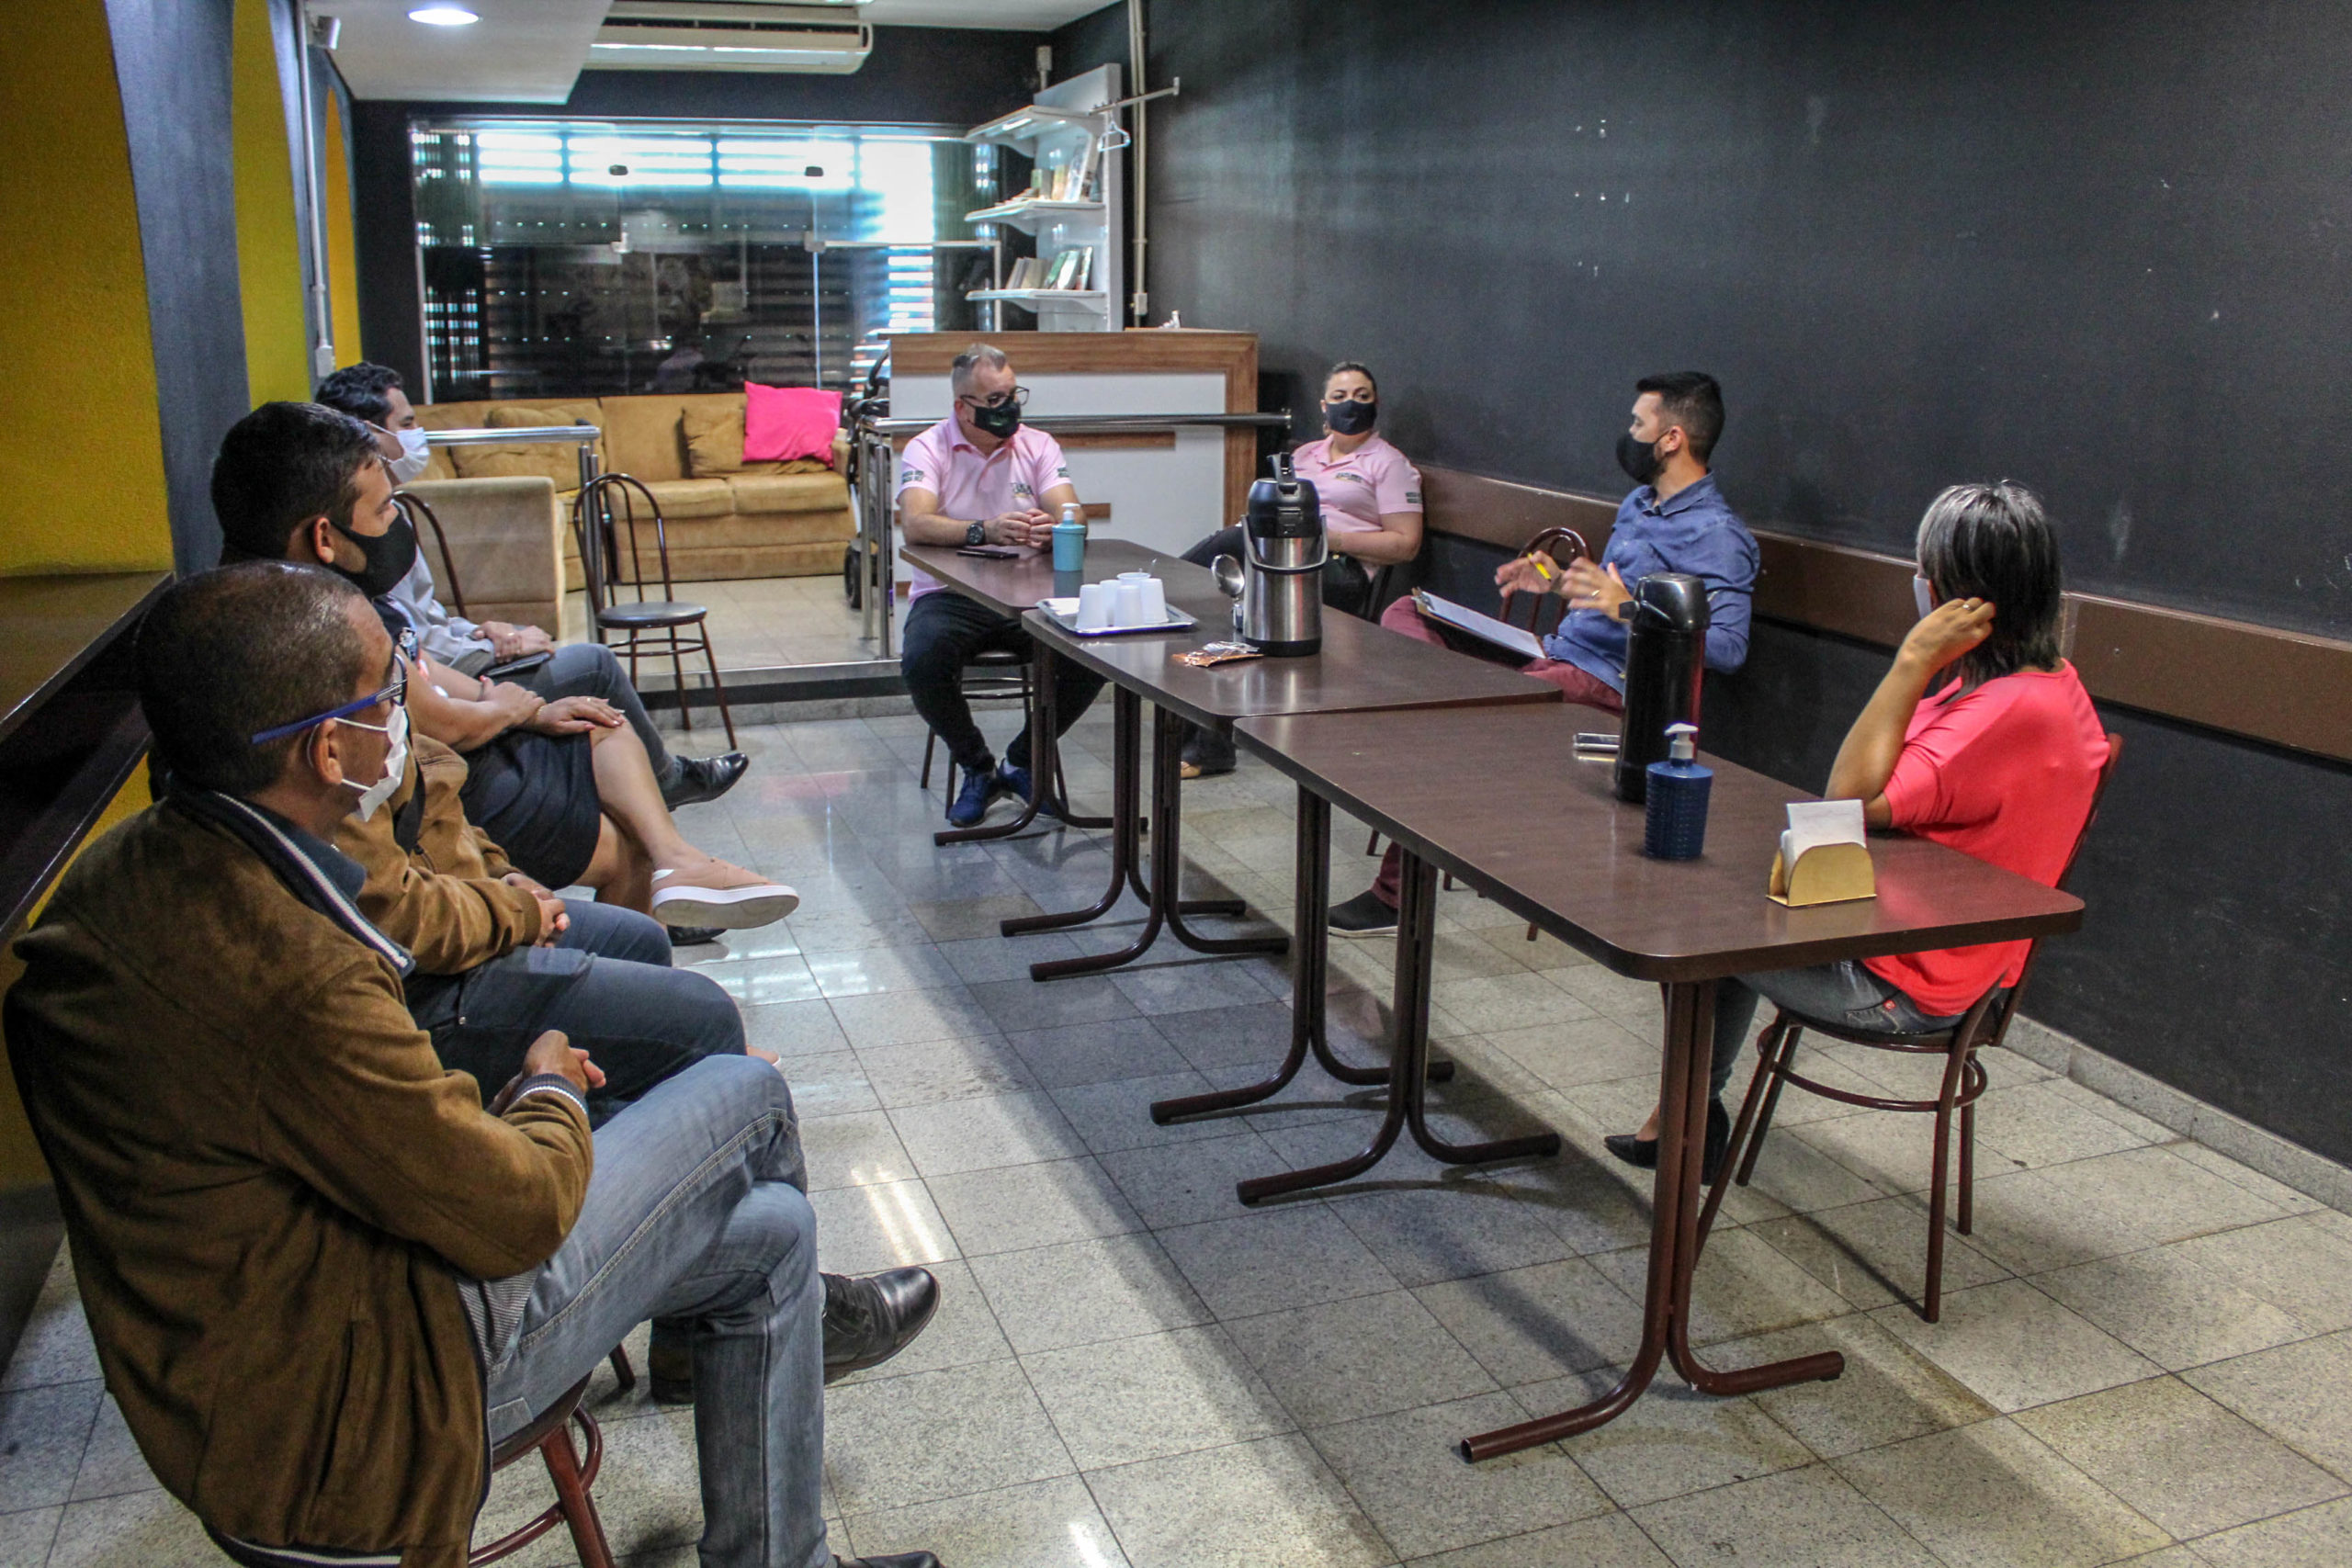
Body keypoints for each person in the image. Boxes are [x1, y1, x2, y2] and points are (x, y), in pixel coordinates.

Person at [4, 561, 939, 1568]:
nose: (406, 709)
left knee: (771, 1231)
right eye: (387, 694)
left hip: (252, 1359)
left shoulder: (126, 875)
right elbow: (514, 1211)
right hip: (366, 1413)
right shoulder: (290, 968)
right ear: (331, 748)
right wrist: (542, 1090)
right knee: (746, 1092)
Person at [1602, 481, 2110, 1180]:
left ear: (1961, 598)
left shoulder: (2005, 712)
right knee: (1724, 906)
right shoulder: (2038, 683)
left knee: (1695, 930)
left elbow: (1846, 796)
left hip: (1903, 978)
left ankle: (1685, 1122)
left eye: (1928, 573)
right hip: (1913, 929)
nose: (1919, 585)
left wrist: (1911, 659)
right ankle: (1687, 1115)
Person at [212, 400, 790, 934]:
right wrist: (511, 710)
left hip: (455, 769)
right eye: (384, 508)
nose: (395, 522)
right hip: (445, 797)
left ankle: (676, 864)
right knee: (625, 842)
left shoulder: (320, 596)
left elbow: (434, 676)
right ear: (323, 536)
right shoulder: (324, 626)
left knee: (595, 720)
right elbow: (441, 724)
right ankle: (652, 903)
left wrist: (531, 709)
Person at [1327, 371, 1760, 936]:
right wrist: (1556, 583)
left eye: (1638, 423)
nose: (1628, 433)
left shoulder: (1719, 535)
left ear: (1672, 438)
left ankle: (1396, 898)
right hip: (1555, 652)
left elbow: (1726, 649)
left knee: (1461, 728)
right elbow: (1602, 594)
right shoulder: (1640, 503)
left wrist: (1627, 608)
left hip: (1605, 684)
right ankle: (1451, 715)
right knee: (1406, 614)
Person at [313, 361, 747, 812]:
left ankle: (649, 794)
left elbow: (422, 618)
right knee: (593, 664)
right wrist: (505, 650)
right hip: (448, 680)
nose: (418, 434)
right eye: (406, 425)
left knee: (567, 675)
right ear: (367, 435)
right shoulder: (356, 535)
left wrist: (482, 628)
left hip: (452, 656)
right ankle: (666, 781)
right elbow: (410, 648)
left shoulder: (391, 513)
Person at [1175, 360, 1427, 777]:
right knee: (1213, 605)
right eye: (1341, 397)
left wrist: (1331, 539)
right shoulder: (1303, 456)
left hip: (1336, 572)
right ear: (1324, 406)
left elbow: (1406, 544)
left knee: (1235, 560)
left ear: (1376, 404)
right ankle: (1207, 740)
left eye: (1362, 397)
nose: (1352, 405)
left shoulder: (1388, 463)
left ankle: (1169, 580)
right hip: (1279, 561)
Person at [897, 342, 1109, 827]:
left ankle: (1021, 760)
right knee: (922, 660)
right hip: (953, 595)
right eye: (993, 401)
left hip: (1028, 592)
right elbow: (916, 523)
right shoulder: (928, 447)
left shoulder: (1038, 444)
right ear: (961, 407)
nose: (1008, 408)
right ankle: (978, 767)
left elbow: (1071, 510)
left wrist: (1054, 526)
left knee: (1096, 648)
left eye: (1013, 395)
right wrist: (984, 529)